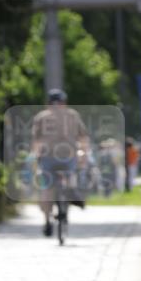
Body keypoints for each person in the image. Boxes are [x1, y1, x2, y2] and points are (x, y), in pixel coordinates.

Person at [30, 89, 89, 237]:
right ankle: (72, 194)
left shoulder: (41, 117)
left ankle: (47, 221)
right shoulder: (72, 115)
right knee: (71, 177)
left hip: (48, 157)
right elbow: (83, 138)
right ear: (64, 102)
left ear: (48, 103)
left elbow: (36, 141)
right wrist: (83, 155)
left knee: (46, 189)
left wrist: (36, 157)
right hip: (68, 156)